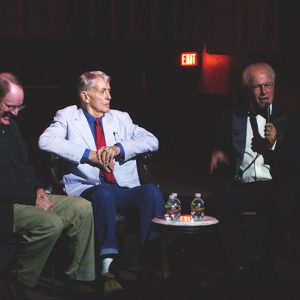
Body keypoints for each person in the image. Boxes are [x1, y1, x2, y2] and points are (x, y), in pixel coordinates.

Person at [38, 70, 165, 292]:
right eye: (102, 91)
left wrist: (119, 148)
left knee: (151, 192)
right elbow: (46, 141)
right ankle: (108, 266)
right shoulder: (67, 116)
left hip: (123, 187)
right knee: (104, 193)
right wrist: (90, 155)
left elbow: (151, 140)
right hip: (88, 187)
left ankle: (150, 259)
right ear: (85, 96)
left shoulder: (120, 117)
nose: (109, 96)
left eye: (109, 91)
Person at [0, 73, 97, 299]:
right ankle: (19, 282)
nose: (15, 113)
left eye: (19, 107)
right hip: (5, 206)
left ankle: (80, 279)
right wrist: (30, 198)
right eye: (9, 106)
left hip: (26, 196)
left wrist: (38, 189)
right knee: (49, 223)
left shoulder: (10, 126)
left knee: (82, 208)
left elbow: (25, 167)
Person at [206, 62, 300, 281]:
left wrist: (275, 144)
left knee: (283, 207)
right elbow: (220, 146)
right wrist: (219, 153)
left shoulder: (291, 118)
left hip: (277, 185)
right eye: (258, 87)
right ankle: (237, 264)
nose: (264, 92)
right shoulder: (231, 117)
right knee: (216, 204)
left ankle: (273, 268)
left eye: (268, 85)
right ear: (247, 90)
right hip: (244, 186)